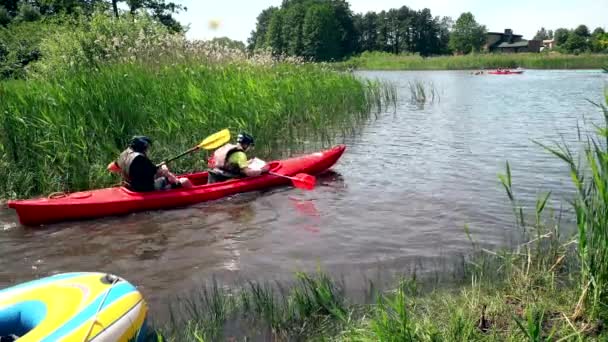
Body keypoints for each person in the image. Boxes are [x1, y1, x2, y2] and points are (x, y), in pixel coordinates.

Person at [109, 136, 192, 192]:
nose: (147, 149)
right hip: (144, 190)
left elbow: (111, 168)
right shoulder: (140, 158)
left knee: (165, 177)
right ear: (143, 147)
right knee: (185, 181)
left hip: (129, 187)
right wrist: (164, 167)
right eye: (147, 147)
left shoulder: (124, 154)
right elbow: (161, 172)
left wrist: (127, 169)